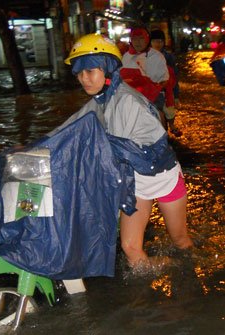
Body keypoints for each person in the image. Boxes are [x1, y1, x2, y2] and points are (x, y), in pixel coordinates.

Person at [51, 34, 192, 268]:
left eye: (90, 71)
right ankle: (164, 276)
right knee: (130, 248)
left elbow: (137, 149)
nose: (83, 79)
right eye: (79, 72)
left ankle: (189, 272)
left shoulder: (128, 101)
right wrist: (37, 148)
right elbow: (69, 129)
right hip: (135, 182)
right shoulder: (99, 101)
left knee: (179, 239)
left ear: (107, 70)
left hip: (163, 177)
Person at [120, 27, 169, 114]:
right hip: (131, 97)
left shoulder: (157, 56)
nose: (138, 42)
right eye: (134, 39)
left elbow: (164, 79)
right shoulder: (126, 57)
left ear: (147, 39)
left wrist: (152, 89)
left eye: (141, 39)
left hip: (153, 97)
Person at [150, 29, 182, 137]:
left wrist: (176, 96)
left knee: (169, 110)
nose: (158, 44)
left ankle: (172, 125)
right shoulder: (145, 57)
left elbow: (174, 77)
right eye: (155, 41)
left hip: (166, 90)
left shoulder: (169, 57)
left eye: (160, 41)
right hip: (151, 91)